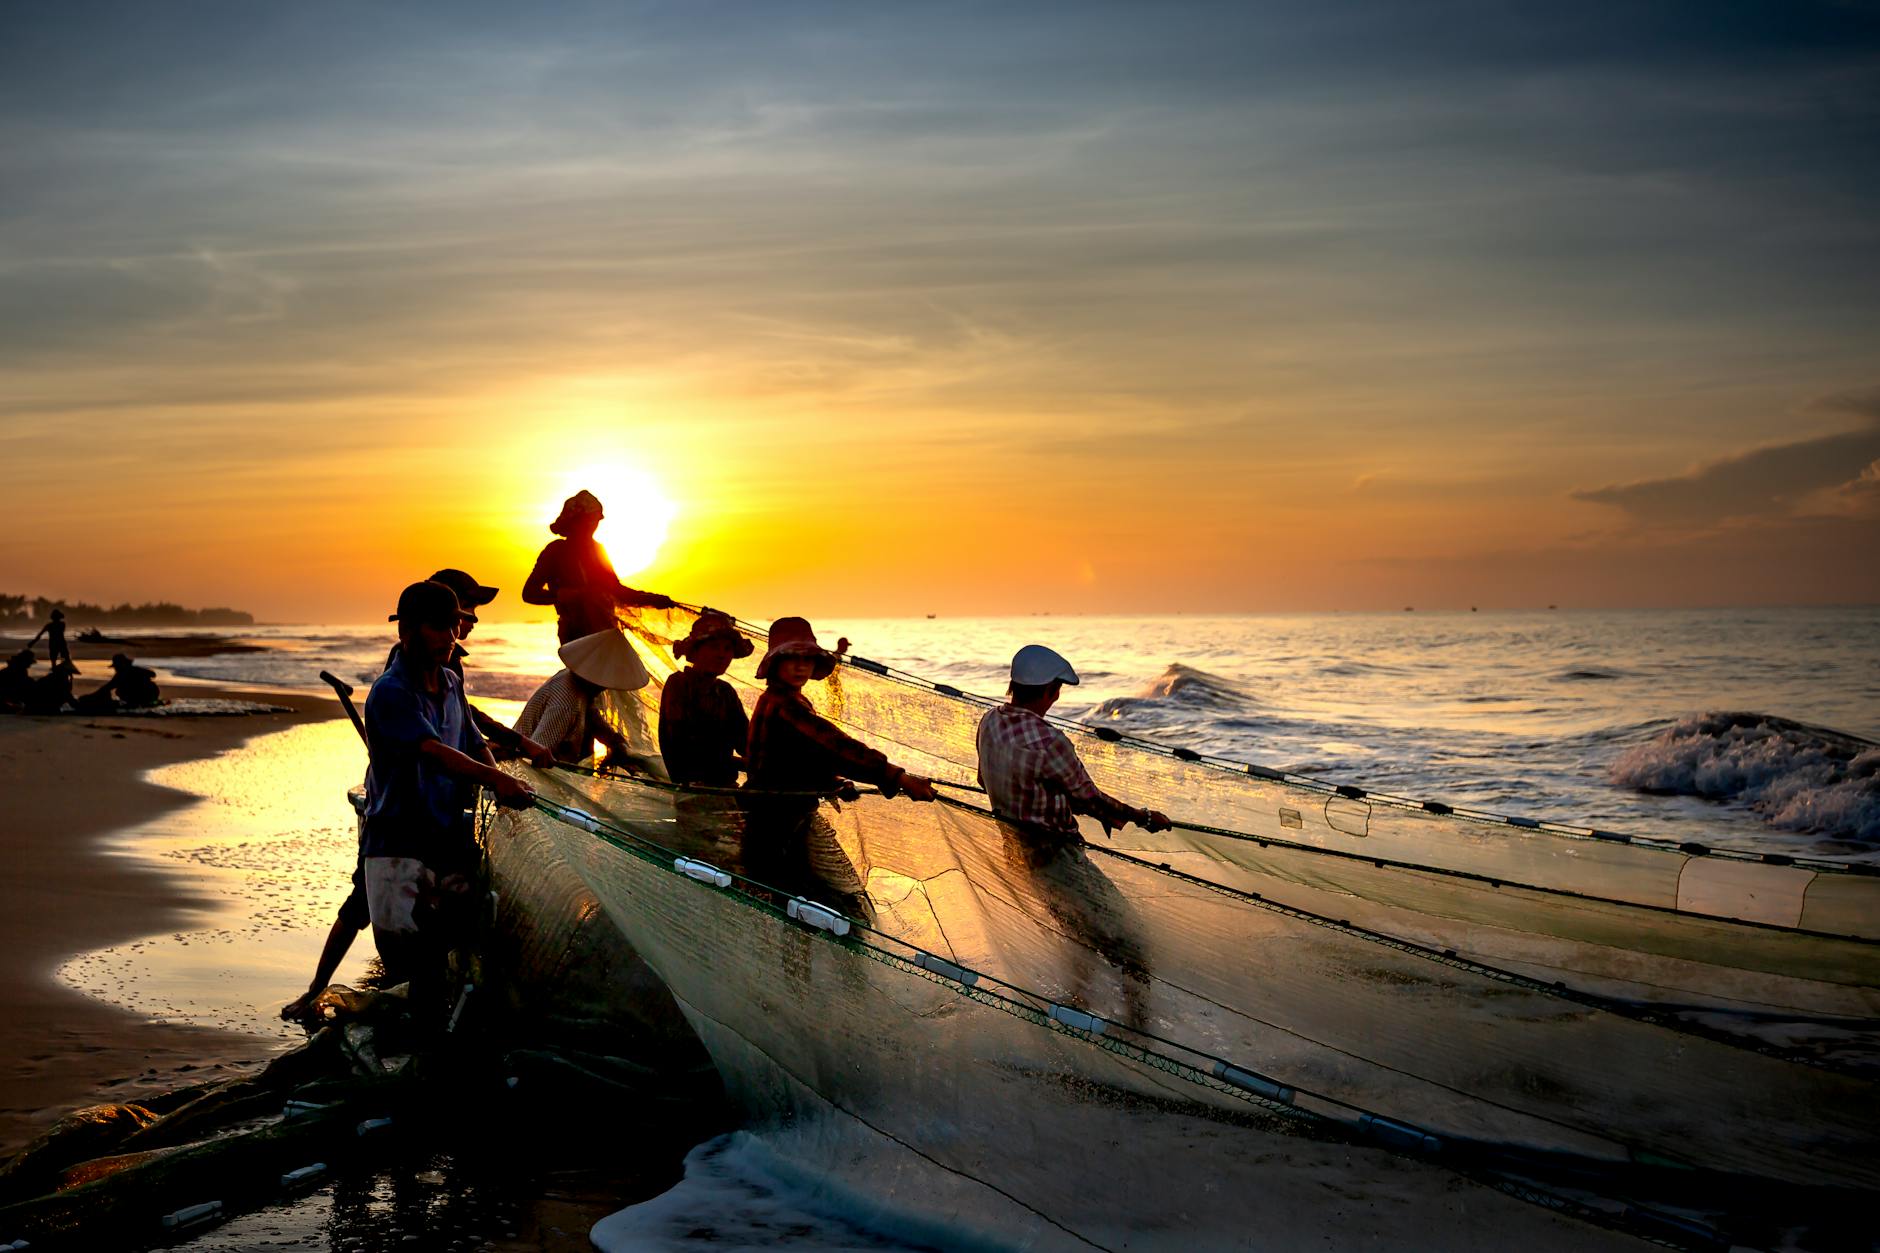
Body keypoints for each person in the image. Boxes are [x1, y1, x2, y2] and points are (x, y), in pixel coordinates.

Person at [360, 581, 535, 1016]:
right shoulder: (390, 692)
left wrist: (496, 774)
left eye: (454, 627)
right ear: (407, 632)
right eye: (438, 627)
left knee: (452, 962)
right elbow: (433, 751)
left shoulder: (453, 682)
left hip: (446, 840)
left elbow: (474, 743)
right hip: (396, 847)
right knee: (407, 967)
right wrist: (497, 782)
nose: (449, 637)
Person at [975, 644, 1171, 1028]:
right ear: (1051, 691)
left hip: (1019, 858)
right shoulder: (1049, 741)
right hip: (1058, 861)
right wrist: (1144, 817)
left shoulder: (989, 722)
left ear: (1014, 687)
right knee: (1134, 946)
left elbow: (985, 779)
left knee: (1081, 937)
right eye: (1057, 690)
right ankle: (1140, 1033)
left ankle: (1074, 1008)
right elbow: (1091, 800)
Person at [742, 617, 935, 915]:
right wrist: (898, 777)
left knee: (793, 908)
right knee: (808, 908)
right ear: (776, 663)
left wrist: (829, 783)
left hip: (775, 819)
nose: (801, 666)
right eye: (792, 658)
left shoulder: (783, 700)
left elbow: (798, 760)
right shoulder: (785, 706)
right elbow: (836, 747)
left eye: (807, 659)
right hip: (775, 826)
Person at [386, 568, 556, 769]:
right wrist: (519, 744)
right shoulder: (424, 660)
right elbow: (441, 736)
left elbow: (463, 715)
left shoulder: (448, 668)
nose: (473, 619)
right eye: (468, 610)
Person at [520, 490, 675, 644]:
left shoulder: (597, 550)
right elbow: (529, 593)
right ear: (575, 522)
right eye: (589, 521)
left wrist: (653, 599)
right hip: (574, 635)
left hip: (605, 631)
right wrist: (561, 594)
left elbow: (617, 591)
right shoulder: (555, 551)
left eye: (594, 521)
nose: (592, 526)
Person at [514, 627, 652, 766]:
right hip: (521, 769)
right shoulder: (566, 704)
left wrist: (615, 742)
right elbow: (535, 755)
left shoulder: (575, 682)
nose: (605, 688)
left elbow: (591, 716)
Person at [658, 611, 752, 788]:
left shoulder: (726, 692)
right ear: (696, 651)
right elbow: (682, 746)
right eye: (714, 647)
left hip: (726, 787)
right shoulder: (678, 684)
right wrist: (740, 764)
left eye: (727, 649)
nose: (721, 655)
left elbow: (745, 740)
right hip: (690, 790)